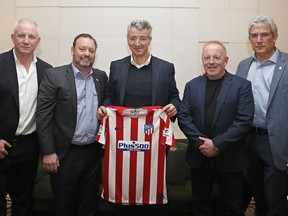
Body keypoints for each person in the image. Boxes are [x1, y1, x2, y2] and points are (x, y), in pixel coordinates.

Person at [97, 19, 180, 216]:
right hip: (122, 140)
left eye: (142, 38)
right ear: (127, 40)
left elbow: (175, 96)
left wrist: (174, 106)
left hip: (152, 141)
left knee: (151, 190)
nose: (138, 43)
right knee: (123, 188)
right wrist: (105, 108)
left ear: (150, 40)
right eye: (133, 38)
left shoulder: (166, 67)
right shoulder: (116, 66)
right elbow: (109, 96)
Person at [177, 41, 254, 216]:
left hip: (230, 156)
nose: (211, 61)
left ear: (225, 60)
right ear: (202, 60)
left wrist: (217, 144)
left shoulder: (241, 86)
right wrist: (202, 144)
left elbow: (244, 121)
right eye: (207, 57)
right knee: (200, 205)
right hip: (199, 156)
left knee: (233, 207)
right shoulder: (192, 85)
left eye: (216, 57)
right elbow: (184, 116)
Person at [36, 33, 108, 216]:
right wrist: (48, 152)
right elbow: (43, 116)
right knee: (64, 205)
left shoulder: (101, 77)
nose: (87, 54)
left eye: (91, 50)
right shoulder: (54, 75)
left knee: (89, 205)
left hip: (92, 153)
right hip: (65, 154)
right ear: (72, 50)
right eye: (82, 49)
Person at [236, 15, 288, 216]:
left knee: (276, 200)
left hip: (276, 142)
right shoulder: (243, 66)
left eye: (264, 35)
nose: (259, 40)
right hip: (249, 140)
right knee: (258, 197)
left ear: (274, 37)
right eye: (254, 35)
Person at [0, 18, 52, 215]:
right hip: (2, 144)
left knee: (24, 202)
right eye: (21, 35)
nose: (26, 40)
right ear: (13, 38)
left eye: (31, 36)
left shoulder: (47, 71)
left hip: (29, 147)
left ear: (38, 41)